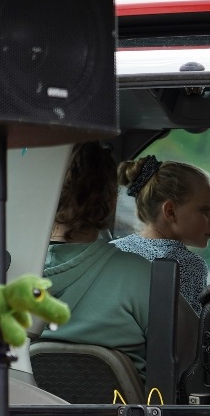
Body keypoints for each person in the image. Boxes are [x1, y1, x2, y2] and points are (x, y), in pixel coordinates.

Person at [37, 143, 153, 381]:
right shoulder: (140, 274)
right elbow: (188, 353)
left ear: (45, 195)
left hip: (20, 415)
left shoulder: (4, 270)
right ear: (111, 201)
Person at [112, 155, 210, 315]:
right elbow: (191, 333)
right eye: (204, 210)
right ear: (170, 211)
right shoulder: (189, 266)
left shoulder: (113, 250)